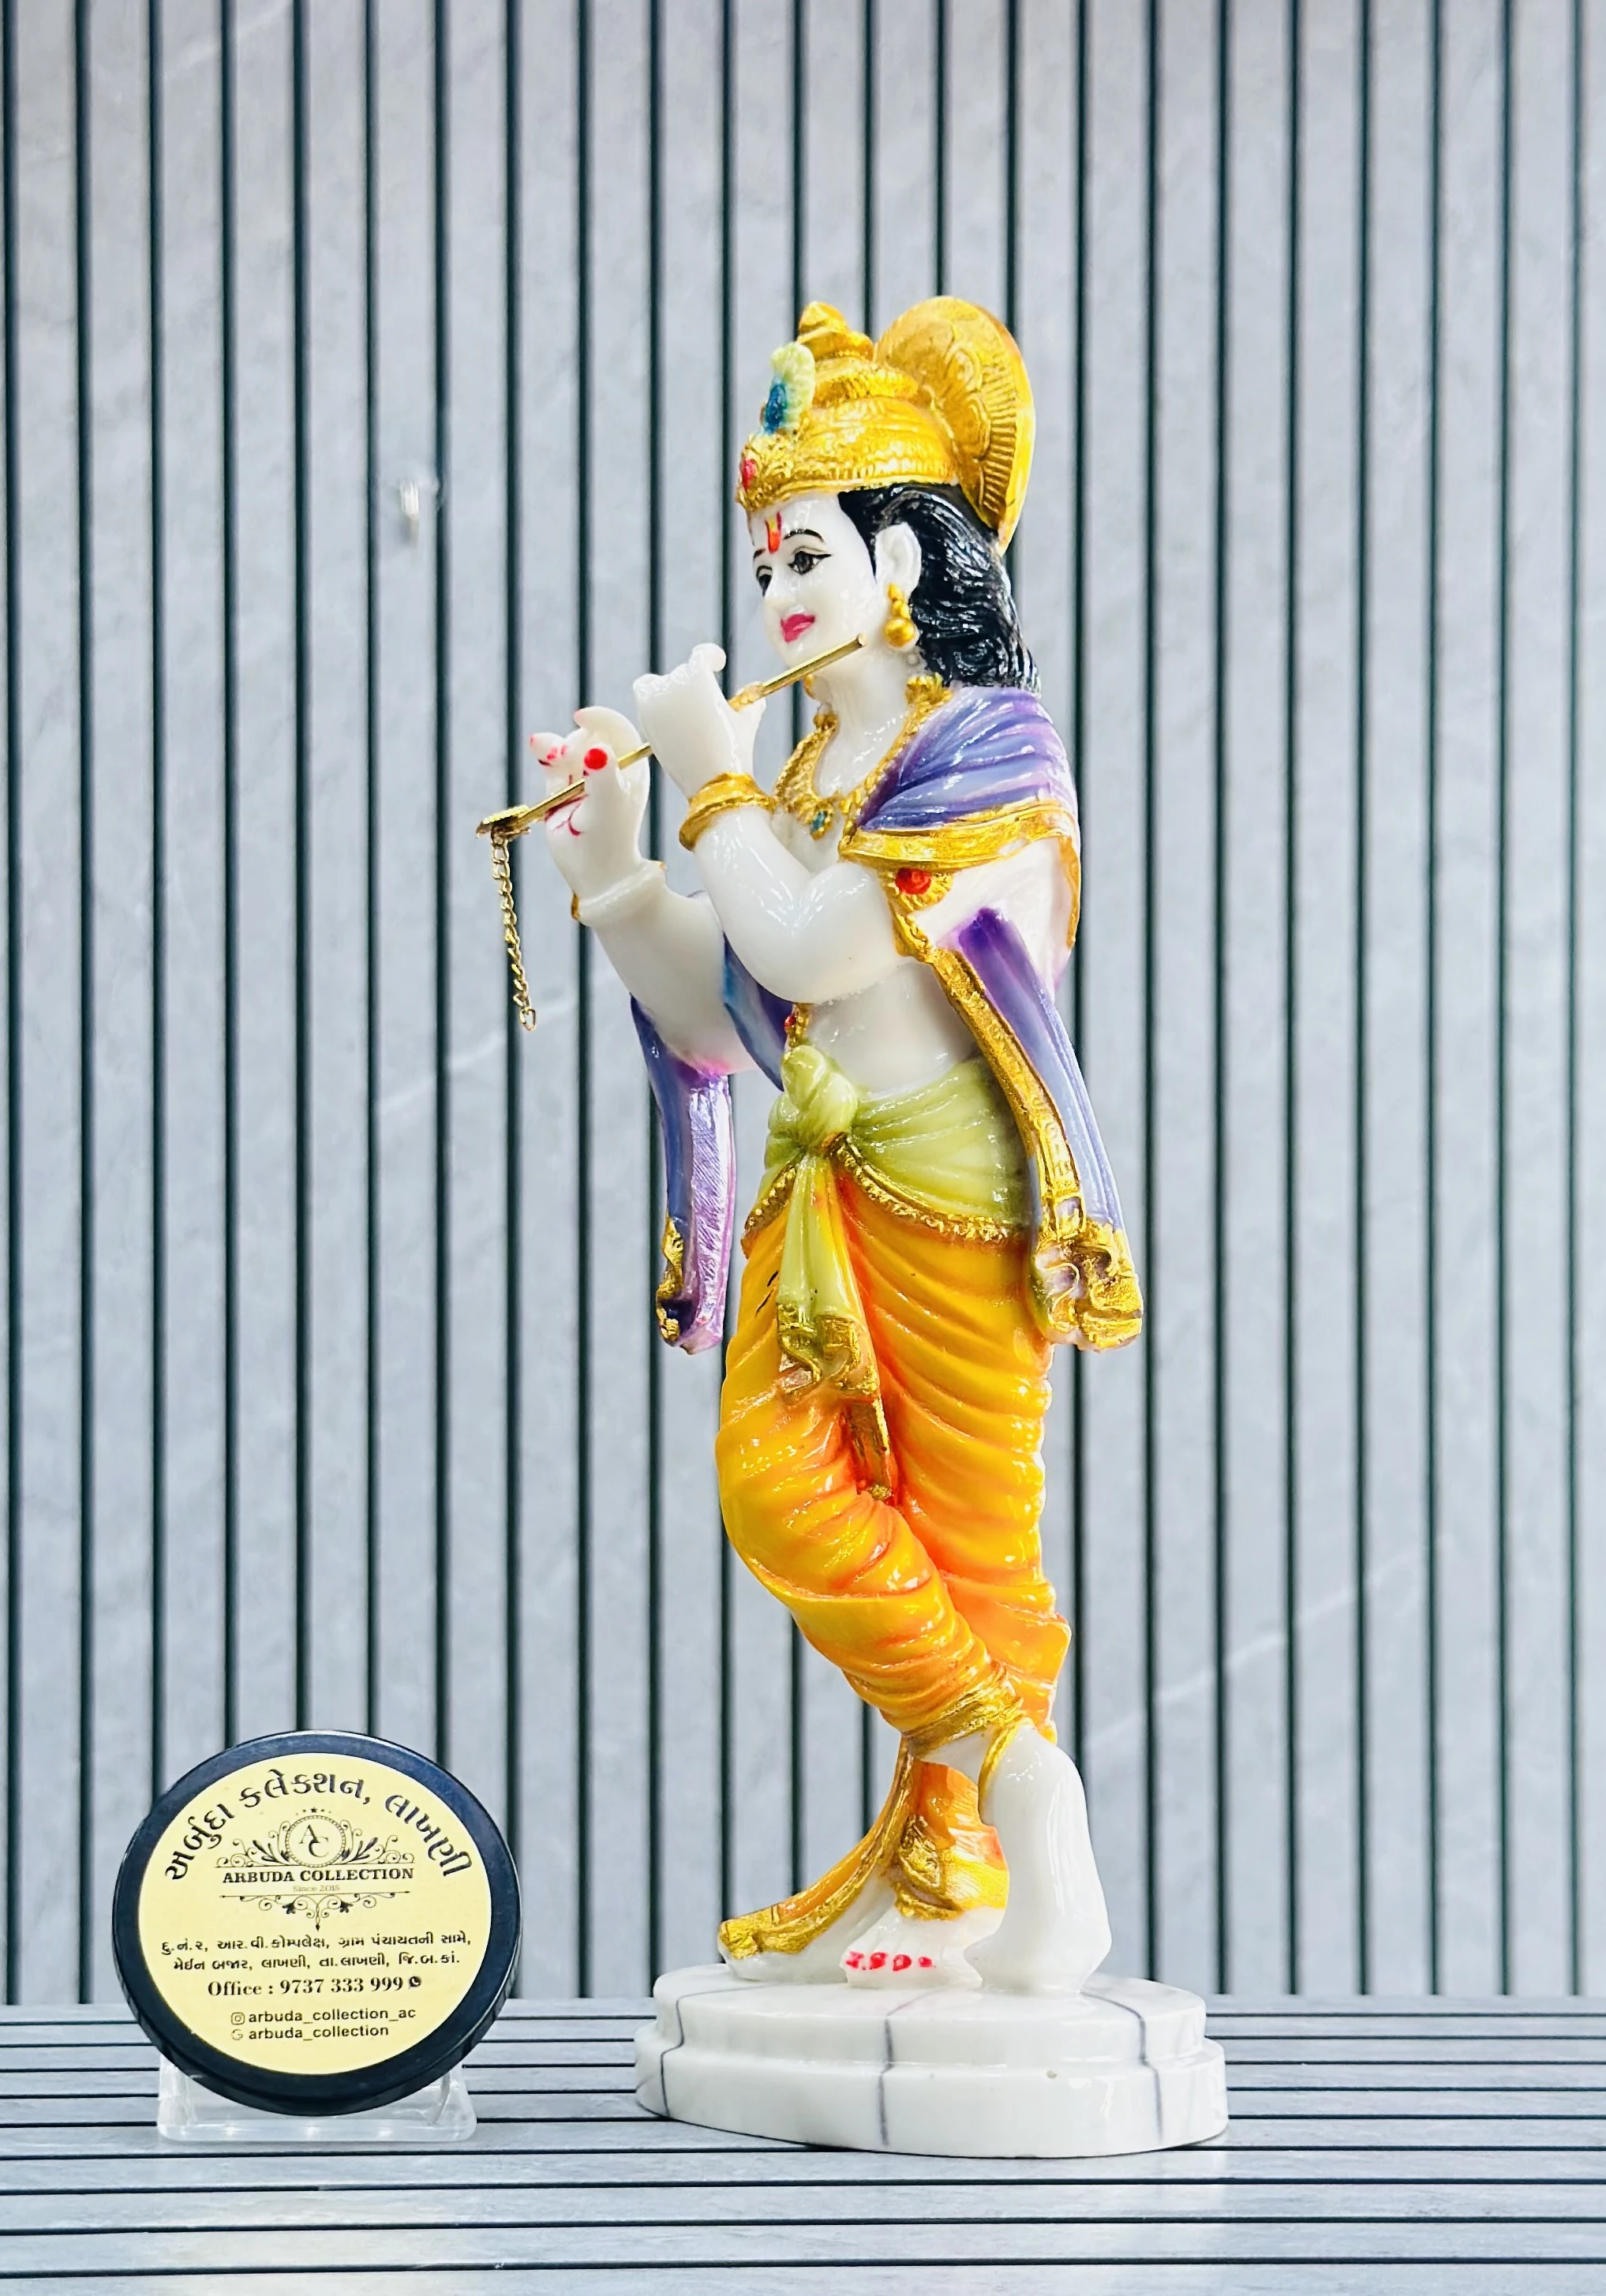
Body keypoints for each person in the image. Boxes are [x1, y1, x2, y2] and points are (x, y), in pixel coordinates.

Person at [531, 299, 1141, 1994]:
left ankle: (972, 1862)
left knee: (965, 1541)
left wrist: (710, 781)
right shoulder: (814, 762)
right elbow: (734, 1010)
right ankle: (1010, 1787)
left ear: (907, 557)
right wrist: (614, 866)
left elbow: (816, 948)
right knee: (782, 1489)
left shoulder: (986, 749)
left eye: (806, 554)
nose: (777, 594)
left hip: (953, 1193)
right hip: (824, 1185)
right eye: (765, 564)